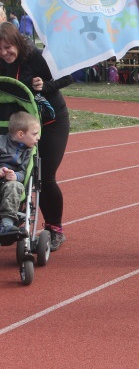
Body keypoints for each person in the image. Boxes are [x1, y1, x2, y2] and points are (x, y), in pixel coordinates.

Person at [0, 22, 73, 250]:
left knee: (44, 175)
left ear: (18, 43)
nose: (4, 53)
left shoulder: (36, 57)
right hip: (12, 124)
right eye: (0, 49)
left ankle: (54, 228)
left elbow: (68, 76)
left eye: (8, 47)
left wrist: (47, 85)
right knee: (9, 170)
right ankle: (13, 215)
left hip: (49, 123)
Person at [0, 112, 40, 235]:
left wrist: (15, 176)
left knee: (15, 185)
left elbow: (23, 172)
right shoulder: (1, 141)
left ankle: (6, 225)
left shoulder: (28, 152)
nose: (38, 137)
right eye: (35, 134)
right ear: (21, 134)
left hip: (9, 184)